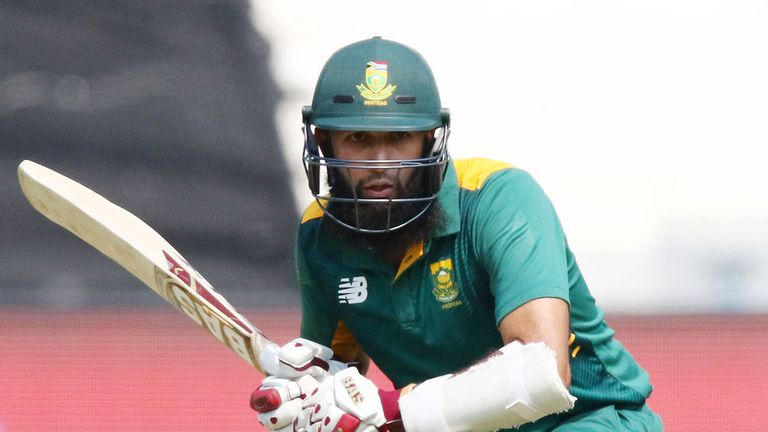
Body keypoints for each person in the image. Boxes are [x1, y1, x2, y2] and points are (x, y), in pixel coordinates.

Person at [250, 36, 663, 432]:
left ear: (431, 137)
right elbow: (336, 378)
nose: (380, 163)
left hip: (588, 420)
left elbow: (542, 369)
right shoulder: (320, 235)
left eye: (398, 138)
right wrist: (301, 397)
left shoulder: (499, 197)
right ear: (323, 141)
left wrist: (395, 410)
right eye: (358, 138)